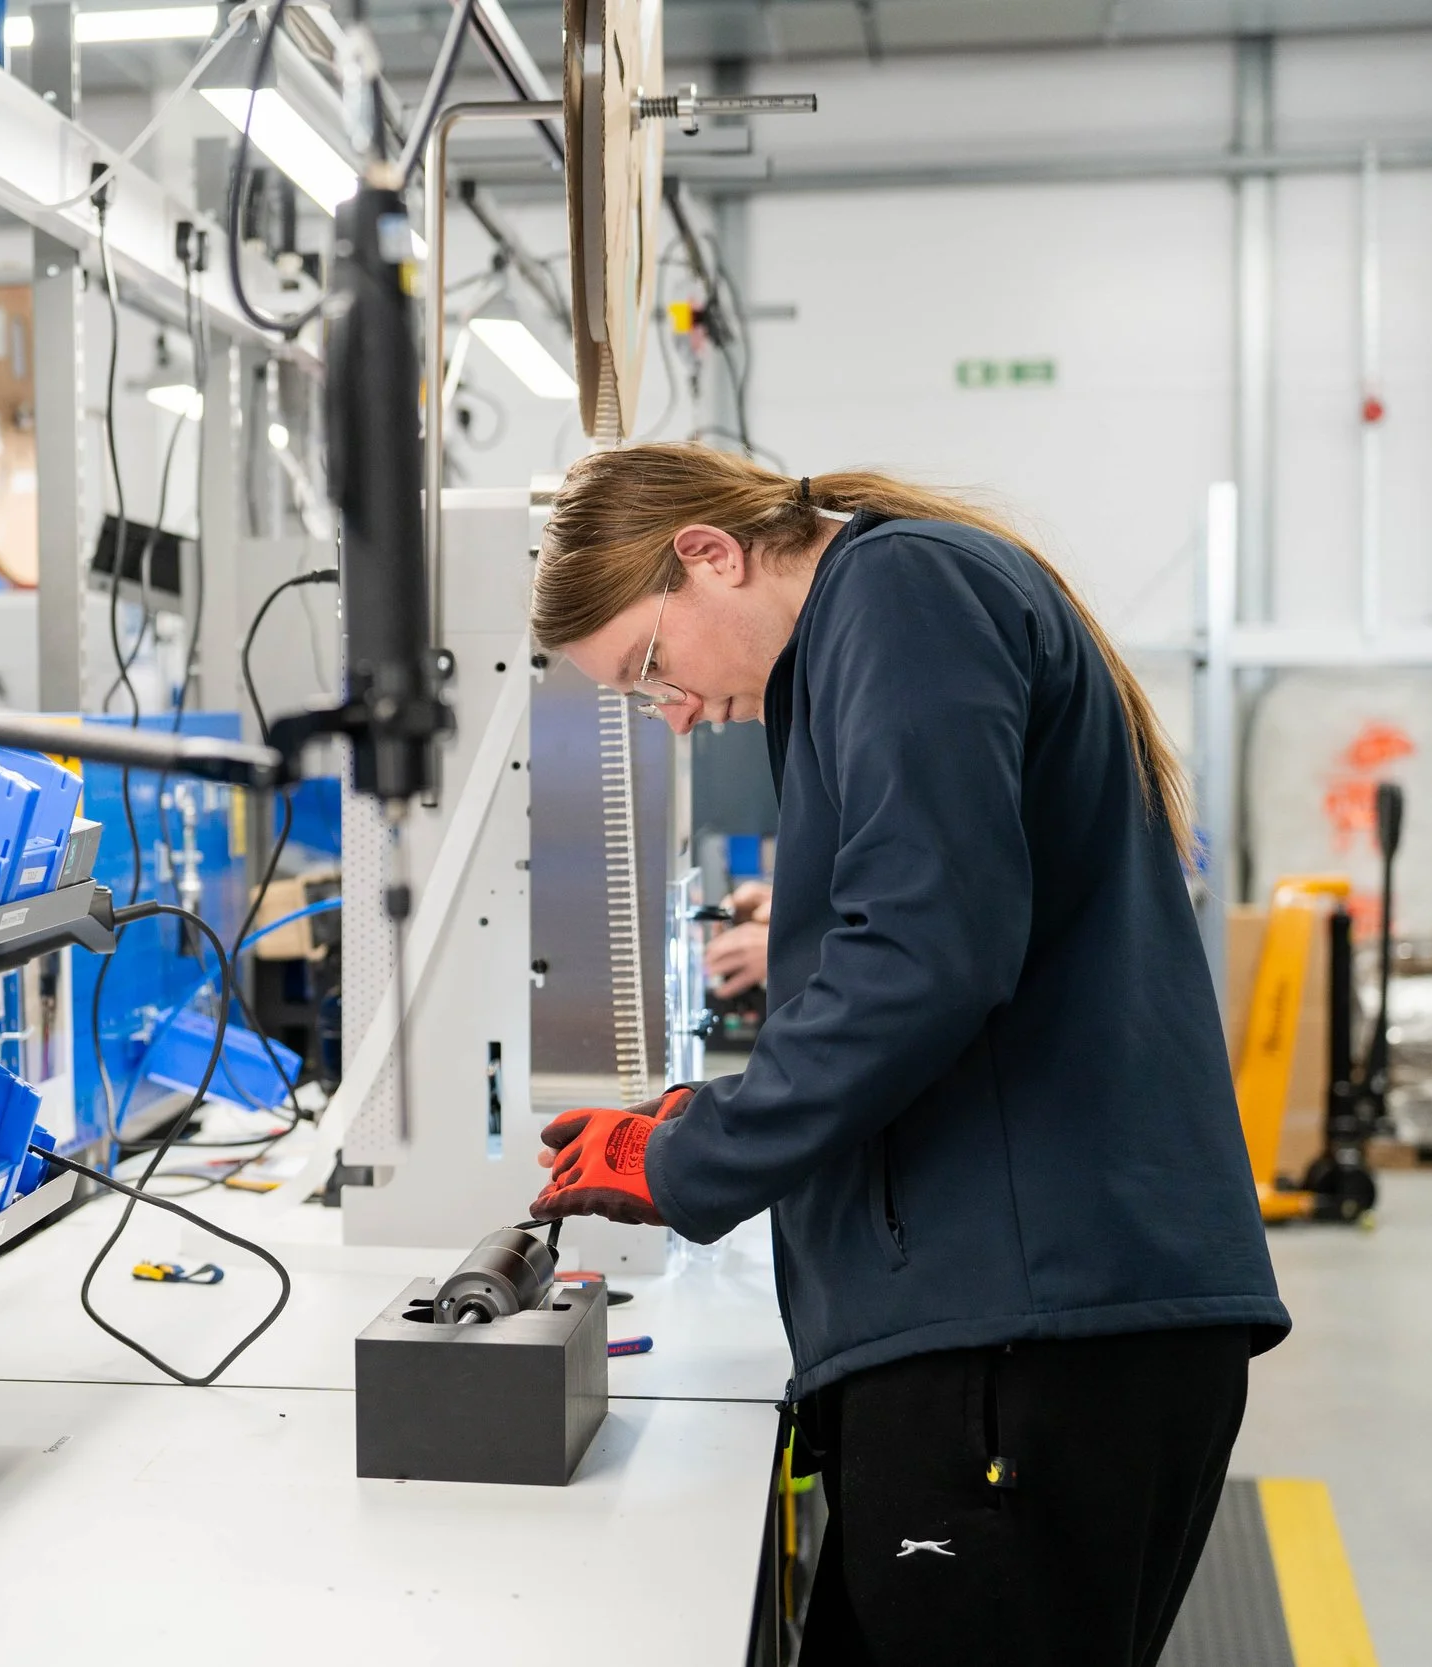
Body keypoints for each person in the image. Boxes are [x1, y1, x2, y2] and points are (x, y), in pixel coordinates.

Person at [520, 445, 1288, 1667]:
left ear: (709, 556)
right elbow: (919, 941)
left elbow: (925, 951)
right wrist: (696, 1115)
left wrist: (697, 1157)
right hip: (1025, 1315)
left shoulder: (899, 591)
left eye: (652, 665)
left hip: (1029, 1332)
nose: (673, 710)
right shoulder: (881, 617)